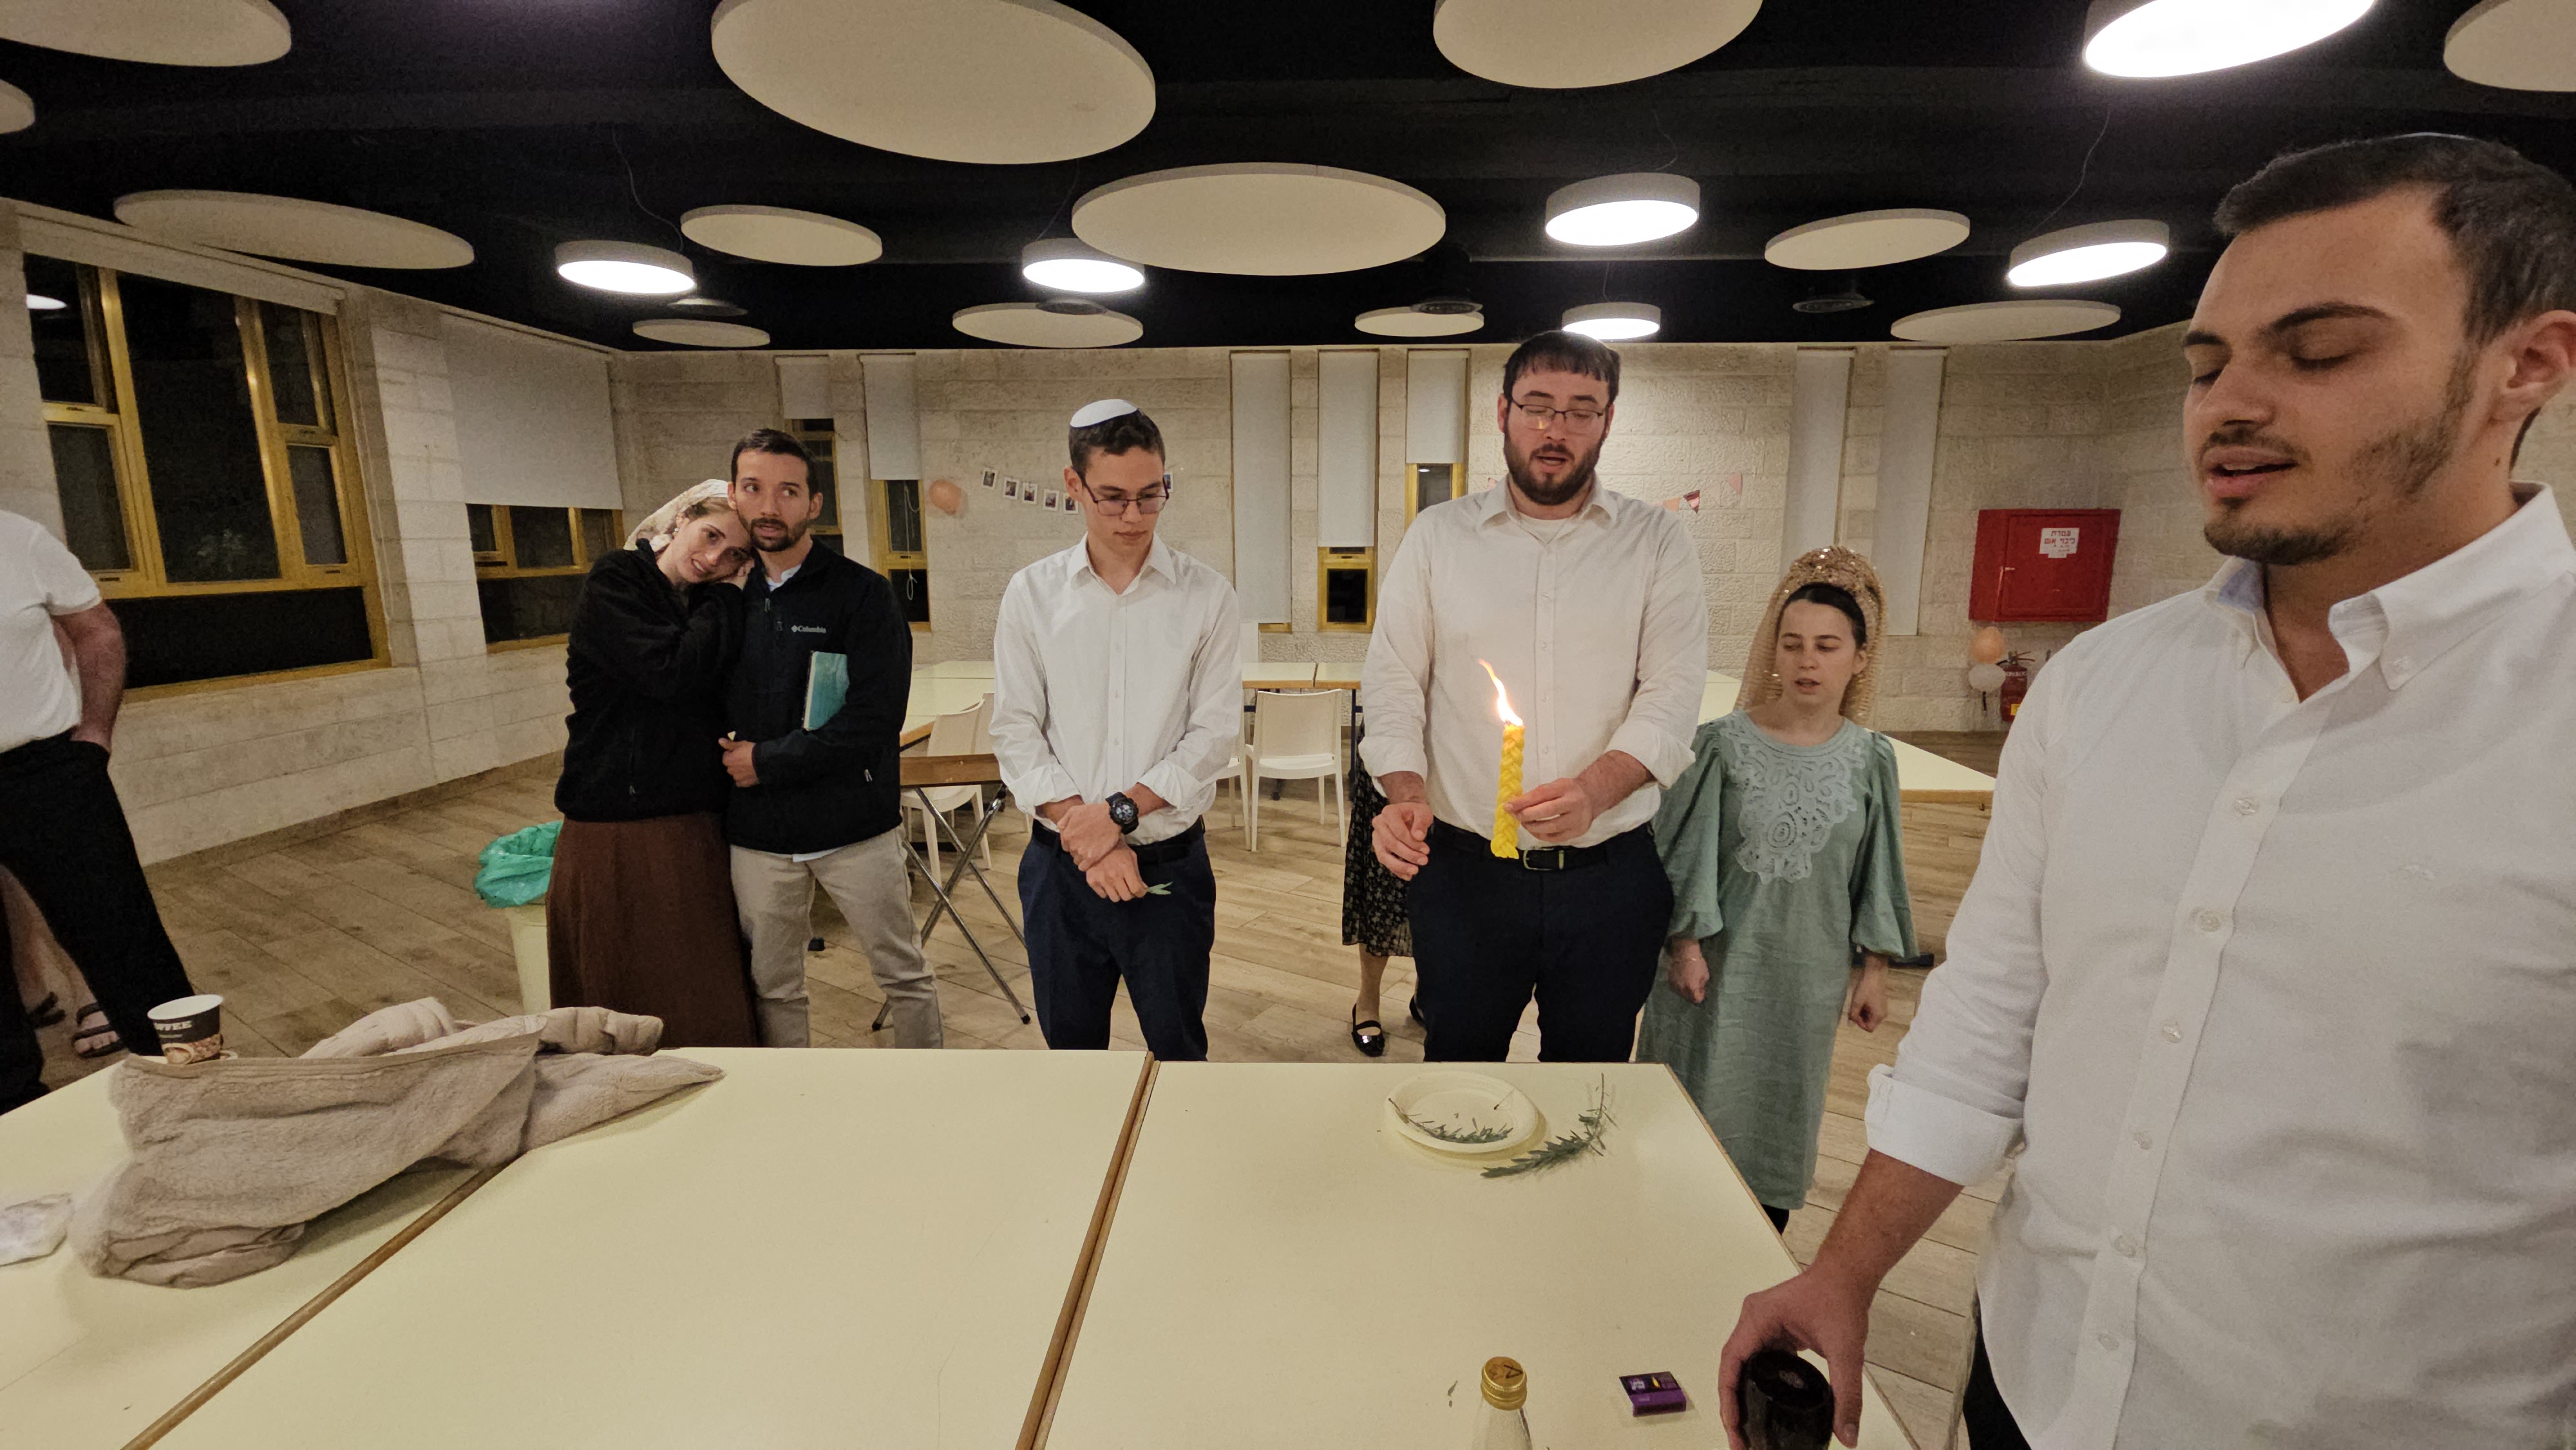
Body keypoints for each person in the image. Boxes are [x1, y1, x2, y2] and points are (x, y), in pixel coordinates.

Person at [1716, 134, 2576, 1450]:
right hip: (2038, 1383)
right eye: (2207, 364)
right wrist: (1845, 1268)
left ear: (2528, 364)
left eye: (2317, 351)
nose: (2232, 404)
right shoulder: (2101, 685)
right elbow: (1987, 1021)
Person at [1362, 331, 1708, 1062]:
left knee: (1590, 1083)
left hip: (1608, 875)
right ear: (1503, 412)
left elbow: (1672, 695)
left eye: (1582, 411)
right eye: (1538, 406)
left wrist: (1592, 791)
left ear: (1607, 421)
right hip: (1464, 877)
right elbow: (1393, 681)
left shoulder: (1656, 541)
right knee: (1458, 1072)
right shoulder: (1437, 538)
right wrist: (1404, 793)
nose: (1557, 429)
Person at [1636, 549, 1915, 1235]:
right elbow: (1683, 853)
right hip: (1713, 969)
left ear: (1859, 657)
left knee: (1778, 1108)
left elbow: (1879, 867)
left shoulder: (1870, 758)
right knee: (1693, 1109)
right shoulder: (1719, 746)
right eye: (1793, 644)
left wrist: (1875, 969)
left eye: (1826, 645)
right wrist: (1685, 945)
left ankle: (1758, 1249)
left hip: (1804, 979)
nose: (1807, 661)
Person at [991, 400, 1240, 1060]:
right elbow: (1016, 729)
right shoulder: (1032, 594)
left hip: (1168, 866)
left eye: (1151, 495)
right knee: (1073, 1057)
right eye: (1113, 498)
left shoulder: (1207, 595)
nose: (1134, 516)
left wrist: (1119, 814)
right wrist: (1090, 836)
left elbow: (1213, 734)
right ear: (1073, 485)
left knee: (1179, 1052)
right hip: (1061, 874)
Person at [719, 430, 942, 1049]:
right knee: (773, 985)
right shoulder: (723, 599)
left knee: (904, 975)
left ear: (814, 503)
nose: (770, 506)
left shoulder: (863, 594)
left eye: (788, 491)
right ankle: (794, 1095)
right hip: (758, 836)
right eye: (754, 488)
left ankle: (934, 1086)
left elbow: (875, 720)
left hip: (854, 828)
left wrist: (767, 761)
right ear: (734, 495)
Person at [547, 482, 761, 1047]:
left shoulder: (703, 603)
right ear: (682, 519)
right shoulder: (618, 579)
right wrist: (727, 596)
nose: (714, 559)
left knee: (702, 996)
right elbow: (670, 673)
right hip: (617, 822)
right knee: (623, 1001)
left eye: (735, 555)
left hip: (694, 817)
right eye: (710, 536)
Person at [0, 508, 195, 1113]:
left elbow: (98, 631)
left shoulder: (18, 538)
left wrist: (95, 736)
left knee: (124, 935)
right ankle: (14, 1115)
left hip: (46, 771)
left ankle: (199, 1078)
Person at [1339, 751, 1416, 1056]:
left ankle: (1428, 993)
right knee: (1381, 886)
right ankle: (1368, 1000)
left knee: (1444, 887)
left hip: (1456, 765)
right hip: (1390, 759)